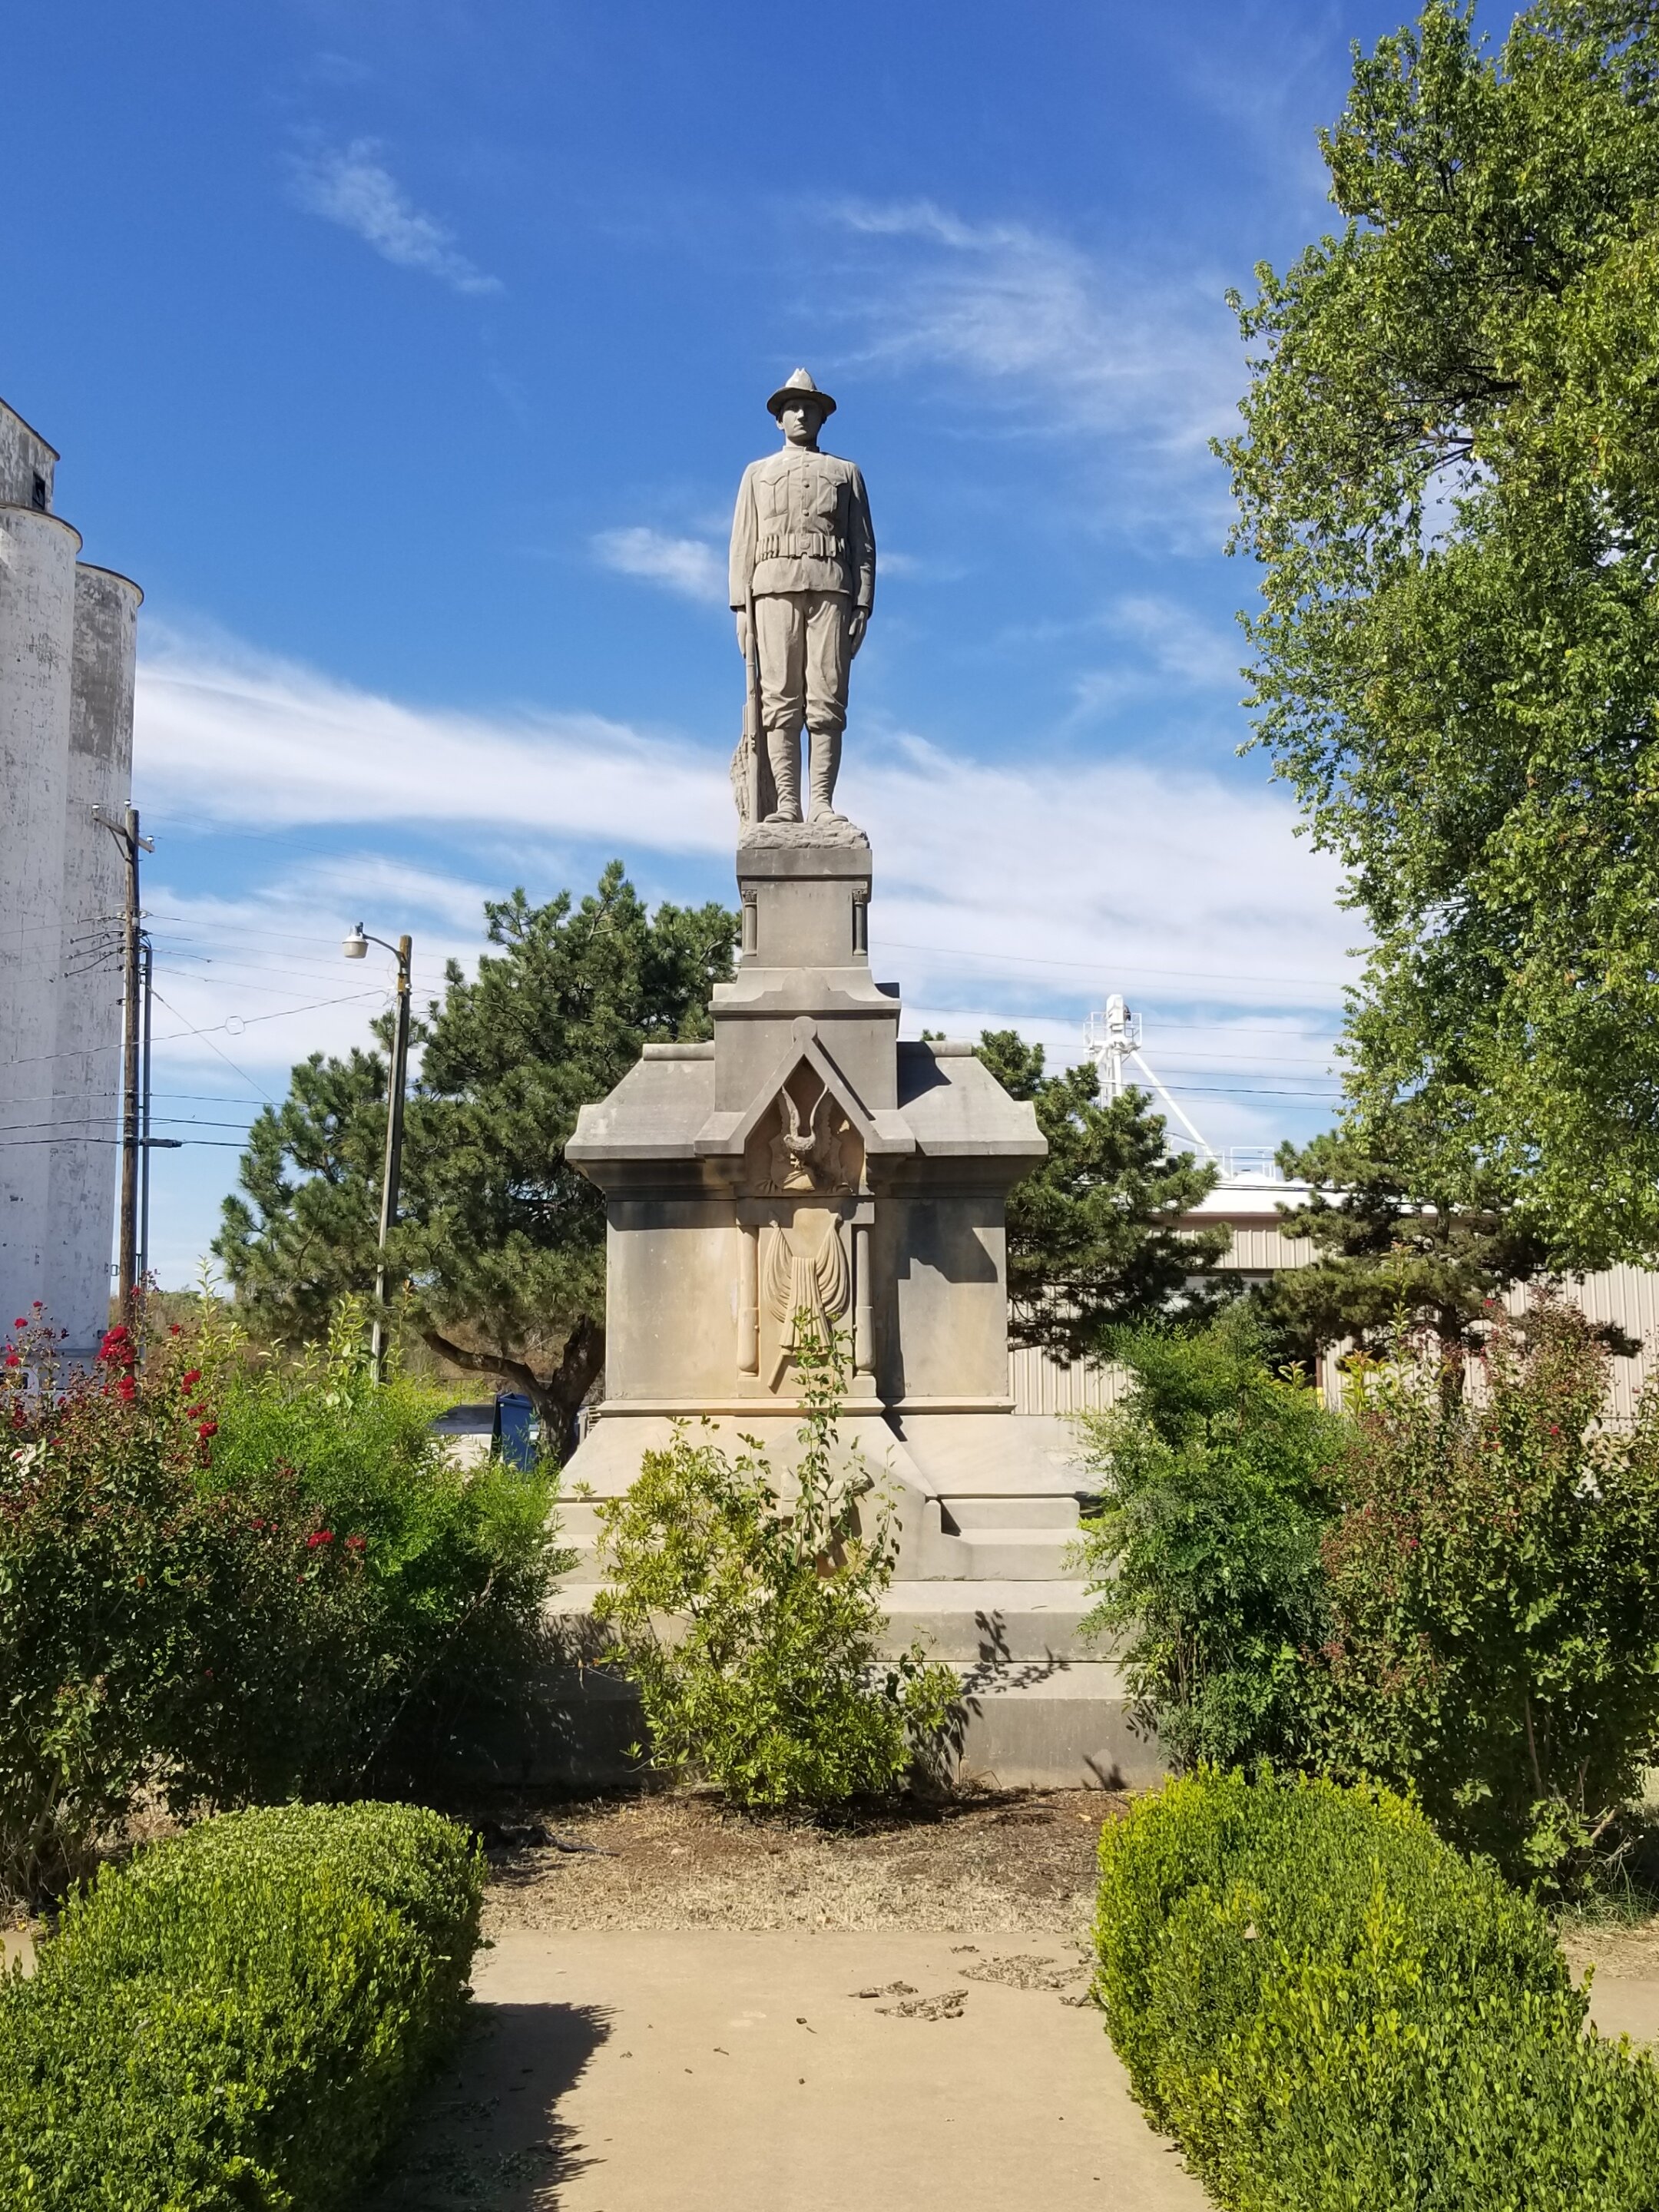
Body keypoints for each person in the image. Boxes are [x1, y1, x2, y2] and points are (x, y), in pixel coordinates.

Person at [728, 369, 875, 825]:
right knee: (780, 698)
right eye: (792, 407)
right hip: (771, 591)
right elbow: (742, 545)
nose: (801, 414)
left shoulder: (845, 473)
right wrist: (740, 608)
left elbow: (864, 546)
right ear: (778, 419)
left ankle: (823, 805)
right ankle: (788, 803)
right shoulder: (757, 474)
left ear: (822, 417)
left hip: (832, 589)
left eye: (809, 407)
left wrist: (863, 603)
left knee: (827, 699)